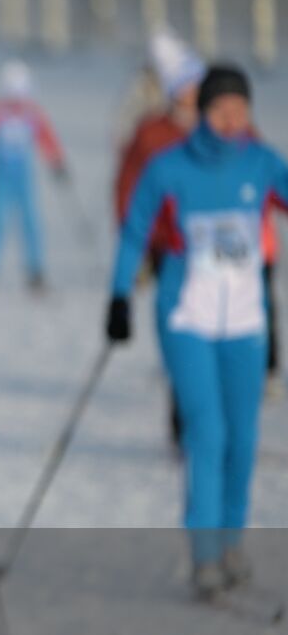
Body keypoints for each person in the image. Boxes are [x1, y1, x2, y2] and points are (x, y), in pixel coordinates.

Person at [106, 63, 287, 600]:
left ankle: (231, 541)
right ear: (201, 113)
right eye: (220, 109)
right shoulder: (169, 167)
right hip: (187, 315)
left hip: (246, 319)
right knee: (205, 434)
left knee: (244, 437)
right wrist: (119, 296)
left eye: (240, 108)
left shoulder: (260, 160)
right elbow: (135, 228)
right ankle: (205, 552)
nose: (232, 119)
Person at [115, 28, 207, 449]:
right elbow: (128, 191)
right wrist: (135, 255)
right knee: (183, 339)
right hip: (170, 251)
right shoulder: (151, 131)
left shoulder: (221, 127)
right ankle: (184, 418)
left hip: (226, 258)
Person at [0, 60, 67, 294]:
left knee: (31, 221)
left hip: (24, 175)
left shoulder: (32, 113)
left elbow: (47, 137)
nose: (17, 101)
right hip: (0, 175)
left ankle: (35, 271)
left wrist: (57, 161)